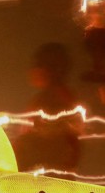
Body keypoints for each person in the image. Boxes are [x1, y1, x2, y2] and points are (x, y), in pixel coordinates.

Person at [13, 43, 81, 174]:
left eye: (36, 65)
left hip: (44, 175)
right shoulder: (64, 97)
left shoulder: (49, 100)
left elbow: (45, 141)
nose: (31, 71)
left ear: (49, 69)